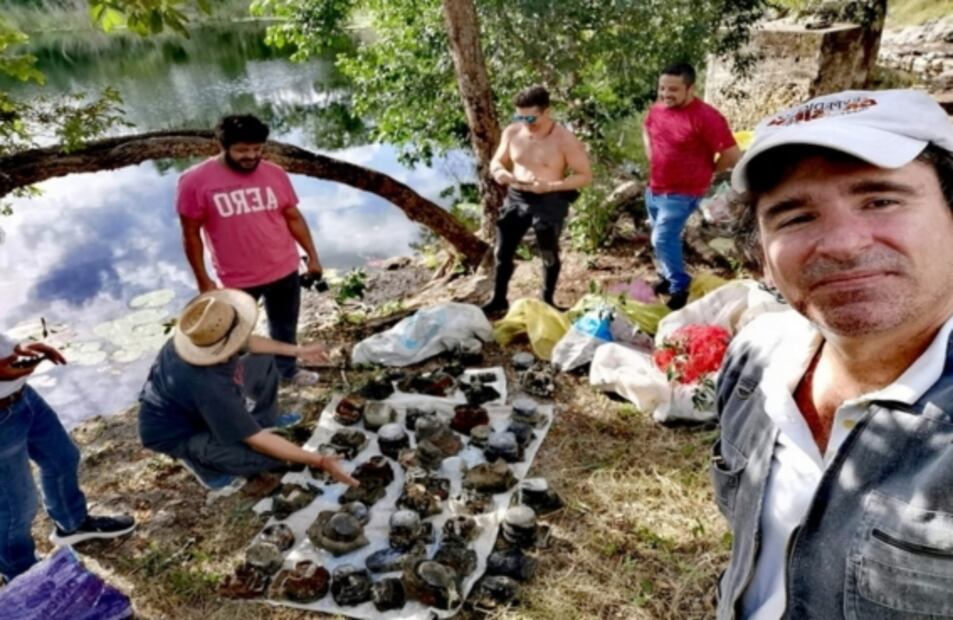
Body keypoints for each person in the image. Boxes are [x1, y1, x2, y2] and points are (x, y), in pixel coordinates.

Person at [713, 89, 953, 619]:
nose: (842, 243)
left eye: (880, 200)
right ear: (761, 258)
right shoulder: (754, 360)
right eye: (795, 216)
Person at [138, 289, 357, 491]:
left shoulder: (199, 339)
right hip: (177, 432)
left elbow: (249, 343)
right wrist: (319, 460)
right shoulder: (209, 385)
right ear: (221, 348)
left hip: (194, 404)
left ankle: (263, 421)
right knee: (268, 460)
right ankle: (204, 467)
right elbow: (256, 440)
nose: (240, 340)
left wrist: (298, 350)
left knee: (262, 361)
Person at [177, 114, 322, 387]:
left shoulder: (274, 174)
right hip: (236, 277)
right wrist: (202, 279)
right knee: (233, 334)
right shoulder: (194, 181)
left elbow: (292, 216)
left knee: (284, 326)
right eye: (242, 150)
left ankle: (286, 371)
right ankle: (234, 382)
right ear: (223, 146)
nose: (251, 156)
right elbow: (190, 234)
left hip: (284, 266)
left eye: (257, 149)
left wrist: (312, 256)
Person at [0, 335, 135, 582]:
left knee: (62, 458)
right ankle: (21, 575)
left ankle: (72, 525)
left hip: (23, 395)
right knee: (16, 505)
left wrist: (16, 348)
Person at [483, 85, 592, 314]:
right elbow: (496, 162)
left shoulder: (564, 139)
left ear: (546, 112)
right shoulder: (513, 132)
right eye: (520, 117)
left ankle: (547, 300)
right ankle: (498, 299)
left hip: (549, 199)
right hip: (516, 195)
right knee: (502, 251)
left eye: (532, 117)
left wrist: (552, 185)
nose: (526, 122)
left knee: (548, 252)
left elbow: (584, 176)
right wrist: (500, 173)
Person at [642, 62, 741, 309]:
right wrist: (652, 156)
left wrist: (707, 173)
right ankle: (666, 277)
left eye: (673, 89)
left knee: (662, 239)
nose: (665, 94)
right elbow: (647, 129)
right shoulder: (657, 109)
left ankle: (679, 286)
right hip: (654, 188)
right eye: (662, 88)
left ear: (691, 89)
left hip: (683, 193)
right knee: (661, 238)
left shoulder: (706, 117)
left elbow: (732, 155)